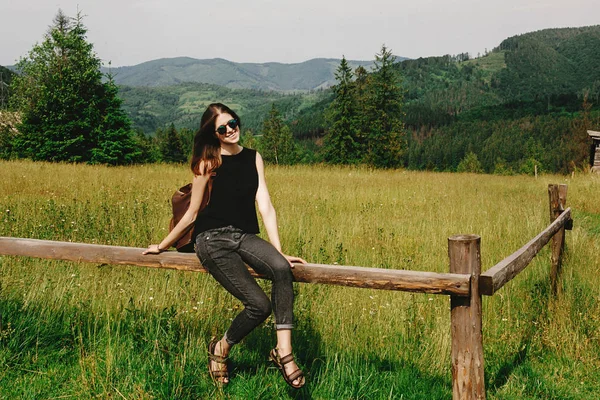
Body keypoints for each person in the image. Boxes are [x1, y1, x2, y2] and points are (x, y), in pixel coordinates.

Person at [143, 103, 306, 388]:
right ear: (214, 133)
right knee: (258, 305)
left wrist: (278, 249)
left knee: (282, 268)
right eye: (223, 128)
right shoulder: (208, 162)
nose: (231, 130)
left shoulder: (254, 158)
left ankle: (284, 352)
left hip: (243, 236)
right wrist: (162, 245)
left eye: (233, 123)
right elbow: (192, 213)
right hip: (212, 240)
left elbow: (265, 204)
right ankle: (221, 348)